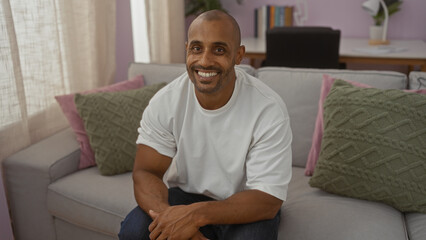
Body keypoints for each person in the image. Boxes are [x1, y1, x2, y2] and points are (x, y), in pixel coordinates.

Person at [119, 10, 292, 240]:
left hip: (246, 201)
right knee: (134, 231)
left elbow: (267, 199)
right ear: (187, 49)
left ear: (239, 55)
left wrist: (194, 217)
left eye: (219, 50)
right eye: (197, 48)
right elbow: (145, 172)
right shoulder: (166, 101)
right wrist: (172, 221)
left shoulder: (268, 109)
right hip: (186, 195)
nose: (205, 61)